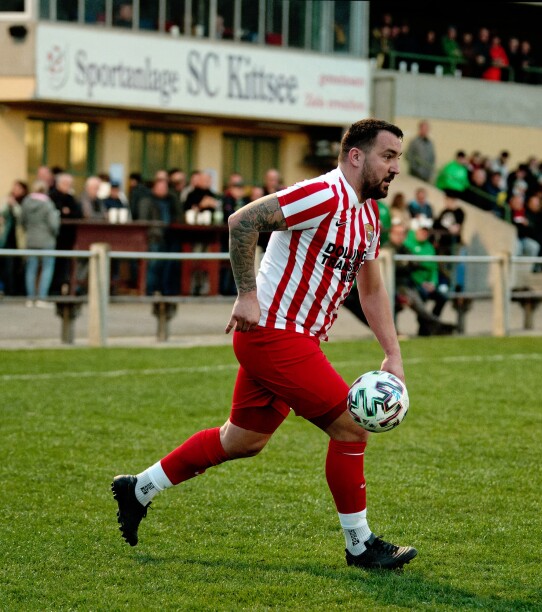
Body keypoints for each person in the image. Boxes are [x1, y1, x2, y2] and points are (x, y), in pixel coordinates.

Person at [110, 118, 417, 570]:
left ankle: (138, 488)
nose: (394, 168)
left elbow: (370, 290)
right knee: (352, 427)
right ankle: (360, 545)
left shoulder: (369, 213)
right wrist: (247, 295)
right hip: (276, 334)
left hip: (291, 339)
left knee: (242, 441)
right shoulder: (322, 194)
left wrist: (393, 352)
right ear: (356, 156)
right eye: (387, 156)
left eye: (397, 159)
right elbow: (243, 220)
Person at [21, 181, 60, 307]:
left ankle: (30, 298)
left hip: (31, 239)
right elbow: (53, 224)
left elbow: (22, 221)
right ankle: (41, 298)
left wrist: (29, 230)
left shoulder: (26, 203)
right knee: (47, 268)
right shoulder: (48, 204)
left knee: (31, 268)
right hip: (47, 239)